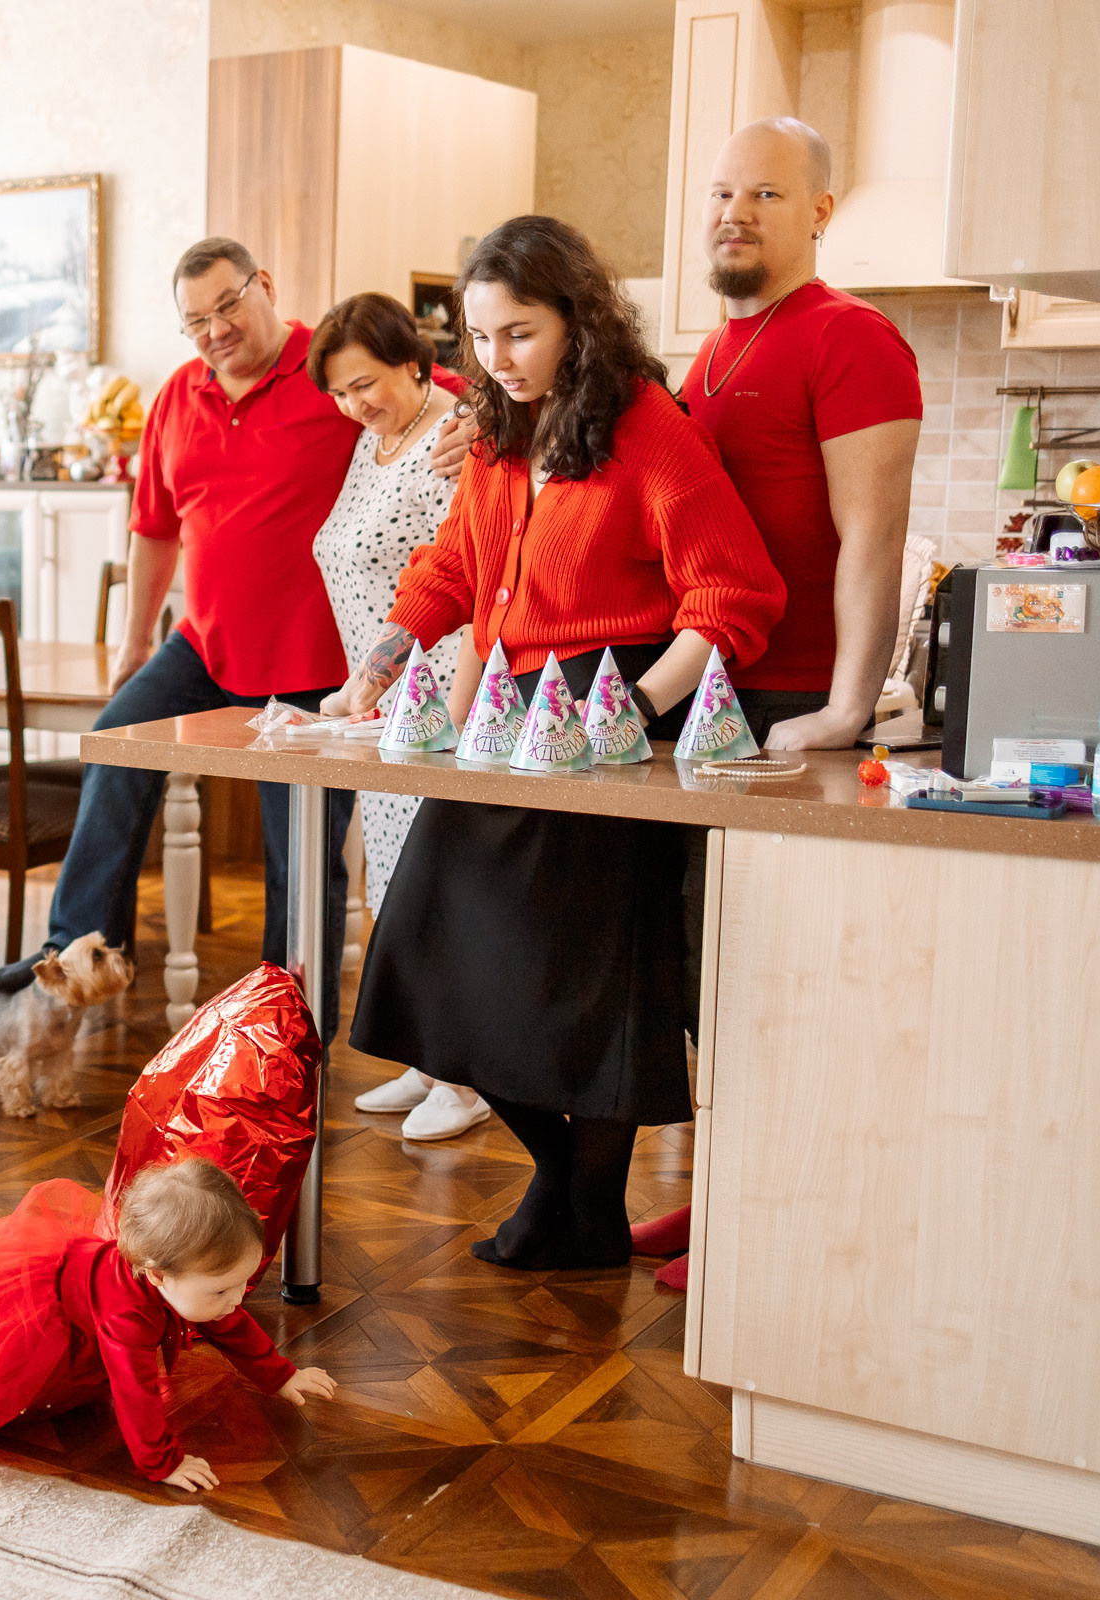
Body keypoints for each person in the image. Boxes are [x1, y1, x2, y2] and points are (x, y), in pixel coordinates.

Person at [336, 216, 786, 1270]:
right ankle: (572, 1191)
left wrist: (628, 708)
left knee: (588, 983)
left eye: (520, 332)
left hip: (603, 719)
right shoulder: (498, 429)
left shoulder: (646, 427)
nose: (496, 358)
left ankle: (579, 1204)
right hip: (509, 717)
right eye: (480, 336)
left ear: (579, 321)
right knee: (428, 953)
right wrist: (384, 658)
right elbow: (457, 565)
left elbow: (732, 590)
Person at [0, 237, 472, 1000]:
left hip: (312, 661)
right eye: (196, 321)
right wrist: (134, 643)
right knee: (114, 746)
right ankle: (73, 950)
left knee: (298, 853)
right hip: (203, 646)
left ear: (263, 286)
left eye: (227, 306)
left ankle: (288, 1020)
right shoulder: (177, 396)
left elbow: (434, 390)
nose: (215, 331)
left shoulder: (329, 366)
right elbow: (154, 530)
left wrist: (477, 418)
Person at [635, 116, 923, 1290]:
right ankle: (725, 1189)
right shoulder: (714, 350)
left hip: (796, 701)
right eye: (721, 192)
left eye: (764, 192)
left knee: (780, 975)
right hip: (715, 695)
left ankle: (768, 1221)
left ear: (819, 211)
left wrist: (847, 705)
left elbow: (874, 535)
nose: (734, 212)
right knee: (708, 961)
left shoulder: (853, 337)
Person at [0, 1158, 339, 1490]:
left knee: (61, 1395)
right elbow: (135, 1389)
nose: (236, 1300)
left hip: (72, 1313)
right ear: (157, 1275)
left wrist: (280, 1374)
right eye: (222, 1289)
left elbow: (228, 1323)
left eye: (243, 1283)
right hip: (24, 1317)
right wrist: (161, 1462)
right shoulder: (127, 1314)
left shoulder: (179, 1280)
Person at [302, 293, 488, 1143]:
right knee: (392, 884)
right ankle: (426, 1055)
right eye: (340, 393)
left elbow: (466, 574)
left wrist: (443, 703)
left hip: (438, 695)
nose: (354, 404)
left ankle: (465, 1073)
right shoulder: (372, 442)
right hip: (378, 697)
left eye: (366, 384)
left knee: (437, 889)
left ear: (414, 363)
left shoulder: (454, 438)